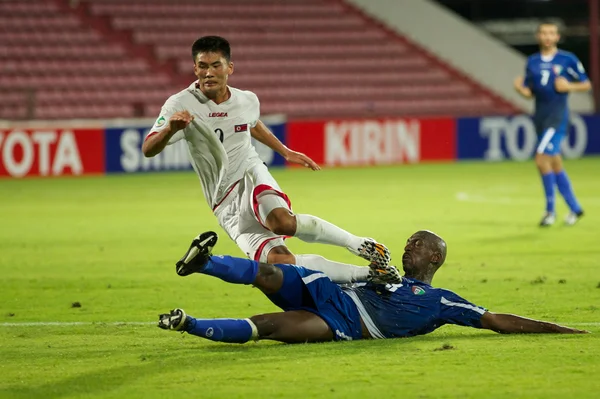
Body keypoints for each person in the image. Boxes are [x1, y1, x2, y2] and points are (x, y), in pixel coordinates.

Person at [142, 35, 396, 284]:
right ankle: (371, 276)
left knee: (281, 222)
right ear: (195, 68)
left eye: (215, 65)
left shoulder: (247, 99)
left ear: (229, 68)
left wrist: (285, 151)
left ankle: (358, 244)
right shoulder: (179, 103)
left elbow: (250, 123)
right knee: (280, 264)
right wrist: (170, 130)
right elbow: (148, 149)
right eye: (203, 66)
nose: (208, 73)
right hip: (222, 200)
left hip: (249, 172)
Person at [158, 230, 587, 343]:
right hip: (331, 293)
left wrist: (556, 328)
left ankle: (187, 323)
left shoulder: (443, 302)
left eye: (416, 246)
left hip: (345, 325)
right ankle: (203, 262)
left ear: (435, 258)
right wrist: (371, 274)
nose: (407, 249)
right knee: (271, 274)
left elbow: (496, 320)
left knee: (268, 326)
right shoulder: (388, 276)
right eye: (406, 244)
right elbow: (355, 274)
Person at [513, 22, 591, 227]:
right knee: (554, 163)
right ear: (538, 36)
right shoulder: (532, 62)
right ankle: (575, 208)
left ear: (557, 37)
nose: (548, 36)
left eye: (551, 33)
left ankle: (550, 211)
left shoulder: (567, 59)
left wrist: (569, 86)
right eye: (544, 33)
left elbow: (586, 83)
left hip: (557, 118)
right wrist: (521, 91)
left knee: (540, 159)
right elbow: (531, 92)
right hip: (540, 117)